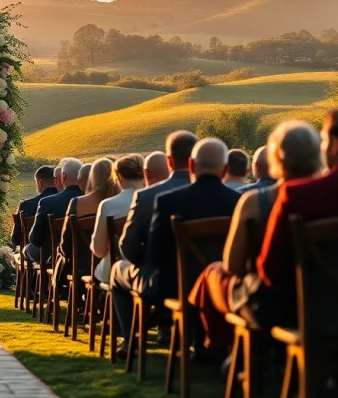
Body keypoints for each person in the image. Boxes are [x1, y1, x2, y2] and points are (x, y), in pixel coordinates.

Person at [190, 121, 321, 356]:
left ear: (276, 159)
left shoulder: (253, 202)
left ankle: (220, 347)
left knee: (212, 274)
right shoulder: (326, 200)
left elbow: (234, 266)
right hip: (321, 299)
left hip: (271, 303)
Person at [255, 107, 338, 328]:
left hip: (312, 318)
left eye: (323, 140)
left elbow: (270, 271)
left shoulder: (299, 195)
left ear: (336, 144)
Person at [135, 138, 240, 356]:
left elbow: (156, 253)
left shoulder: (168, 202)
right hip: (224, 287)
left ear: (191, 165)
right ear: (225, 169)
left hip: (177, 287)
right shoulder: (239, 202)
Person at [112, 131, 196, 349]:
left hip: (160, 283)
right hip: (202, 283)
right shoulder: (222, 196)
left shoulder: (148, 197)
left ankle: (130, 340)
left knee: (117, 271)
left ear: (170, 161)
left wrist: (145, 262)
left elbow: (128, 248)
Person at [54, 158, 117, 291]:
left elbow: (66, 243)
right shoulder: (119, 202)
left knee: (61, 254)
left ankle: (62, 291)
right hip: (114, 264)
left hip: (82, 265)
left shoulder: (78, 203)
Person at [91, 154, 145, 283]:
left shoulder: (108, 205)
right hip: (149, 267)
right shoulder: (154, 198)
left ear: (118, 177)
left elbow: (98, 250)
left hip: (117, 268)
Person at [26, 158, 84, 264]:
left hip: (53, 257)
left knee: (28, 250)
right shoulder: (93, 201)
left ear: (64, 176)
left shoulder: (47, 202)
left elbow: (35, 238)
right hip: (85, 257)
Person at [12, 165, 57, 248]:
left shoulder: (26, 205)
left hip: (39, 250)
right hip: (66, 250)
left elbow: (16, 238)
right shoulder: (68, 201)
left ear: (40, 183)